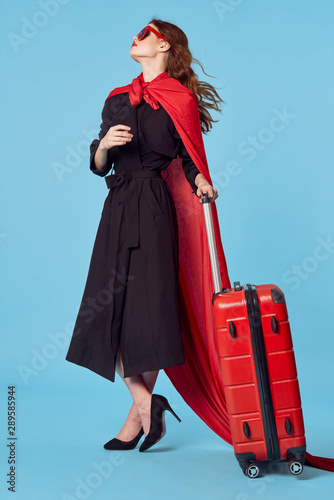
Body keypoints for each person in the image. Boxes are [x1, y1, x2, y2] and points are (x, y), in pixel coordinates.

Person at [65, 18, 226, 454]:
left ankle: (136, 420)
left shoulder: (181, 100)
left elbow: (189, 157)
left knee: (149, 316)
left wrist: (201, 182)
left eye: (145, 33)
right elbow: (99, 164)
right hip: (117, 206)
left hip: (155, 209)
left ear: (164, 46)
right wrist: (102, 146)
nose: (135, 37)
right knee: (109, 309)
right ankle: (146, 404)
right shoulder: (117, 99)